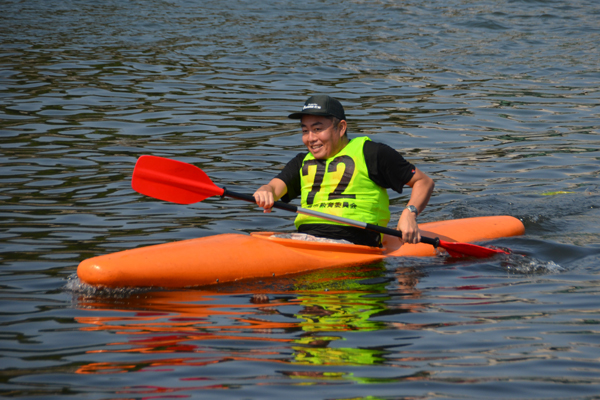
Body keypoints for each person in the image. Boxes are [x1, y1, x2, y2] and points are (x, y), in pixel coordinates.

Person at [253, 95, 434, 247]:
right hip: (307, 240)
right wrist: (265, 191)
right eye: (305, 131)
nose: (310, 139)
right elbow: (274, 188)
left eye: (317, 129)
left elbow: (423, 182)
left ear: (341, 128)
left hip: (355, 243)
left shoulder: (371, 152)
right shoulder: (301, 162)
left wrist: (409, 212)